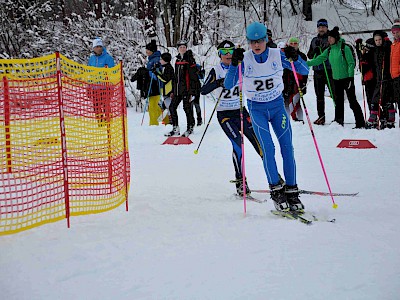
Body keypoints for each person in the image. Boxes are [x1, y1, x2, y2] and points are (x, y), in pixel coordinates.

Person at [224, 22, 309, 212]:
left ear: (266, 39)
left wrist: (295, 58)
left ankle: (292, 191)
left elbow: (304, 70)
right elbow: (229, 84)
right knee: (267, 149)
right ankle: (276, 191)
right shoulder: (244, 59)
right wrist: (234, 64)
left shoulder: (277, 55)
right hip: (257, 110)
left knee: (287, 148)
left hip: (278, 108)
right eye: (252, 41)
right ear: (248, 42)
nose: (256, 45)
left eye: (260, 40)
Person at [201, 40, 263, 196]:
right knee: (238, 143)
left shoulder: (240, 66)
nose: (228, 55)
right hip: (225, 115)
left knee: (259, 142)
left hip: (241, 111)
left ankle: (276, 179)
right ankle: (240, 182)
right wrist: (219, 83)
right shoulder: (216, 70)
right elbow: (203, 90)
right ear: (219, 54)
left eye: (230, 52)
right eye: (224, 52)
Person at [307, 26, 365, 128]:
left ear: (336, 38)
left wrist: (350, 78)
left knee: (352, 102)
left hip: (347, 79)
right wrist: (304, 63)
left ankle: (360, 122)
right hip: (336, 79)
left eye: (331, 38)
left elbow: (351, 63)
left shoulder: (344, 48)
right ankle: (338, 121)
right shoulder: (329, 50)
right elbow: (319, 59)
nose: (329, 39)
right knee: (338, 102)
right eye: (328, 37)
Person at [167, 40, 200, 137]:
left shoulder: (189, 60)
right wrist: (173, 90)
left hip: (187, 90)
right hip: (177, 90)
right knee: (172, 107)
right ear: (177, 49)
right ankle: (175, 127)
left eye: (184, 47)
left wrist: (191, 92)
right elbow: (175, 77)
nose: (182, 49)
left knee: (187, 109)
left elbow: (193, 77)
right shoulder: (177, 60)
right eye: (180, 47)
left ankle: (190, 127)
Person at [307, 19, 334, 125]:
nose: (321, 29)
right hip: (318, 70)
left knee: (334, 93)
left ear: (326, 27)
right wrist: (314, 51)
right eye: (319, 27)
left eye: (323, 27)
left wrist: (323, 50)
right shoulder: (314, 40)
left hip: (329, 69)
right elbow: (309, 55)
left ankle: (338, 116)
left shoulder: (330, 38)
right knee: (319, 95)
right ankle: (321, 116)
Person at [366, 30, 395, 129]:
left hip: (387, 78)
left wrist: (386, 44)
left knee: (385, 99)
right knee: (376, 99)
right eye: (376, 40)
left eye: (379, 40)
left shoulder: (386, 48)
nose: (378, 42)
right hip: (379, 79)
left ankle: (389, 119)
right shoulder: (375, 50)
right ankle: (377, 118)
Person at [130, 40, 163, 125]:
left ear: (152, 51)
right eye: (146, 49)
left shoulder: (156, 60)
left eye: (148, 50)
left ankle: (153, 124)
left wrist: (149, 72)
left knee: (152, 106)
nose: (146, 51)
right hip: (151, 85)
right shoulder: (151, 59)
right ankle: (166, 120)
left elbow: (158, 74)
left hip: (156, 86)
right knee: (154, 105)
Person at [88, 37, 115, 126]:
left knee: (106, 105)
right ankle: (100, 122)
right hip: (95, 87)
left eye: (100, 46)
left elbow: (113, 71)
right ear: (94, 48)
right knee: (96, 106)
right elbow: (89, 73)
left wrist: (111, 86)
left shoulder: (108, 58)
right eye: (97, 47)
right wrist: (89, 86)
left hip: (106, 86)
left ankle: (108, 121)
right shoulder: (91, 59)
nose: (99, 48)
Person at [282, 37, 308, 122]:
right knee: (286, 102)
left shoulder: (302, 56)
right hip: (287, 81)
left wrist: (304, 83)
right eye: (291, 43)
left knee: (295, 102)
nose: (293, 45)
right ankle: (288, 119)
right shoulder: (285, 55)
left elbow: (305, 70)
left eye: (295, 43)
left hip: (298, 82)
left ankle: (298, 119)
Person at [153, 52, 175, 125]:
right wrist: (157, 69)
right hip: (166, 90)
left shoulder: (169, 68)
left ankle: (172, 120)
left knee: (169, 106)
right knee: (167, 105)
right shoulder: (166, 67)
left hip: (169, 90)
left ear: (165, 60)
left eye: (161, 59)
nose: (160, 61)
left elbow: (165, 79)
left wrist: (156, 73)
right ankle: (170, 120)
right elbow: (162, 75)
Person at [356, 38, 376, 111]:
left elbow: (368, 66)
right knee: (369, 99)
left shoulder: (371, 55)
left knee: (374, 99)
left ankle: (380, 116)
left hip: (373, 79)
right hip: (366, 79)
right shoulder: (364, 55)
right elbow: (360, 57)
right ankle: (372, 115)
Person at [391, 21, 400, 123]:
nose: (396, 34)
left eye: (397, 31)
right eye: (394, 32)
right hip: (394, 76)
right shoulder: (393, 45)